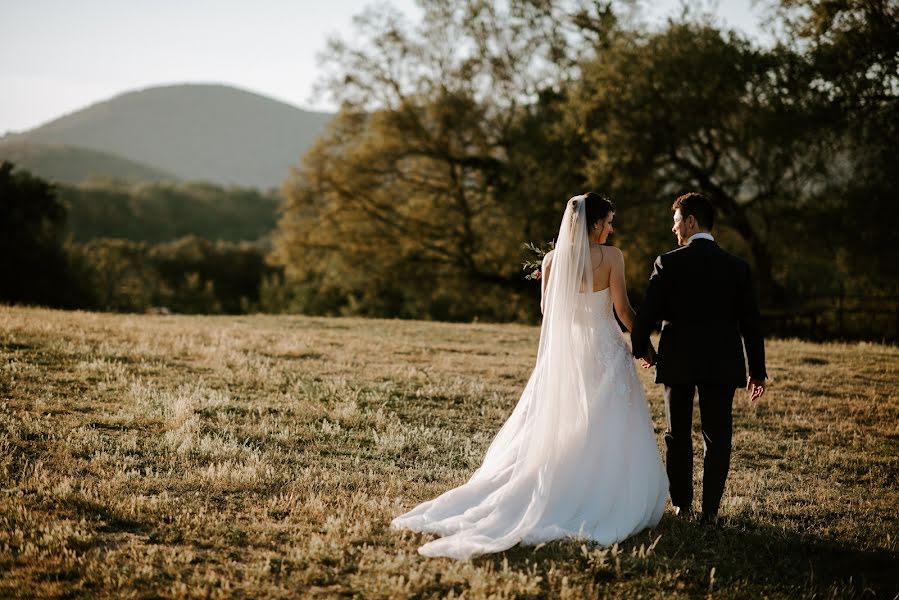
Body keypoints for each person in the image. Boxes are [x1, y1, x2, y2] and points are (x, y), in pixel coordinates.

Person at [391, 193, 668, 560]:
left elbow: (546, 310)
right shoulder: (612, 257)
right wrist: (644, 345)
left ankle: (561, 484)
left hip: (569, 354)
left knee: (568, 420)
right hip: (605, 352)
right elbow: (623, 310)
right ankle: (599, 490)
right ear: (596, 223)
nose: (611, 228)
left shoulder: (553, 261)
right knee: (609, 423)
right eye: (609, 221)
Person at [631, 192, 767, 525]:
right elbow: (751, 323)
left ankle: (682, 504)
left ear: (690, 221)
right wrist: (757, 371)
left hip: (677, 359)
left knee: (677, 434)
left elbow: (647, 313)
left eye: (676, 220)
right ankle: (710, 511)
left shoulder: (668, 262)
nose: (673, 227)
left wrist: (642, 346)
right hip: (722, 362)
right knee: (718, 436)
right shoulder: (737, 267)